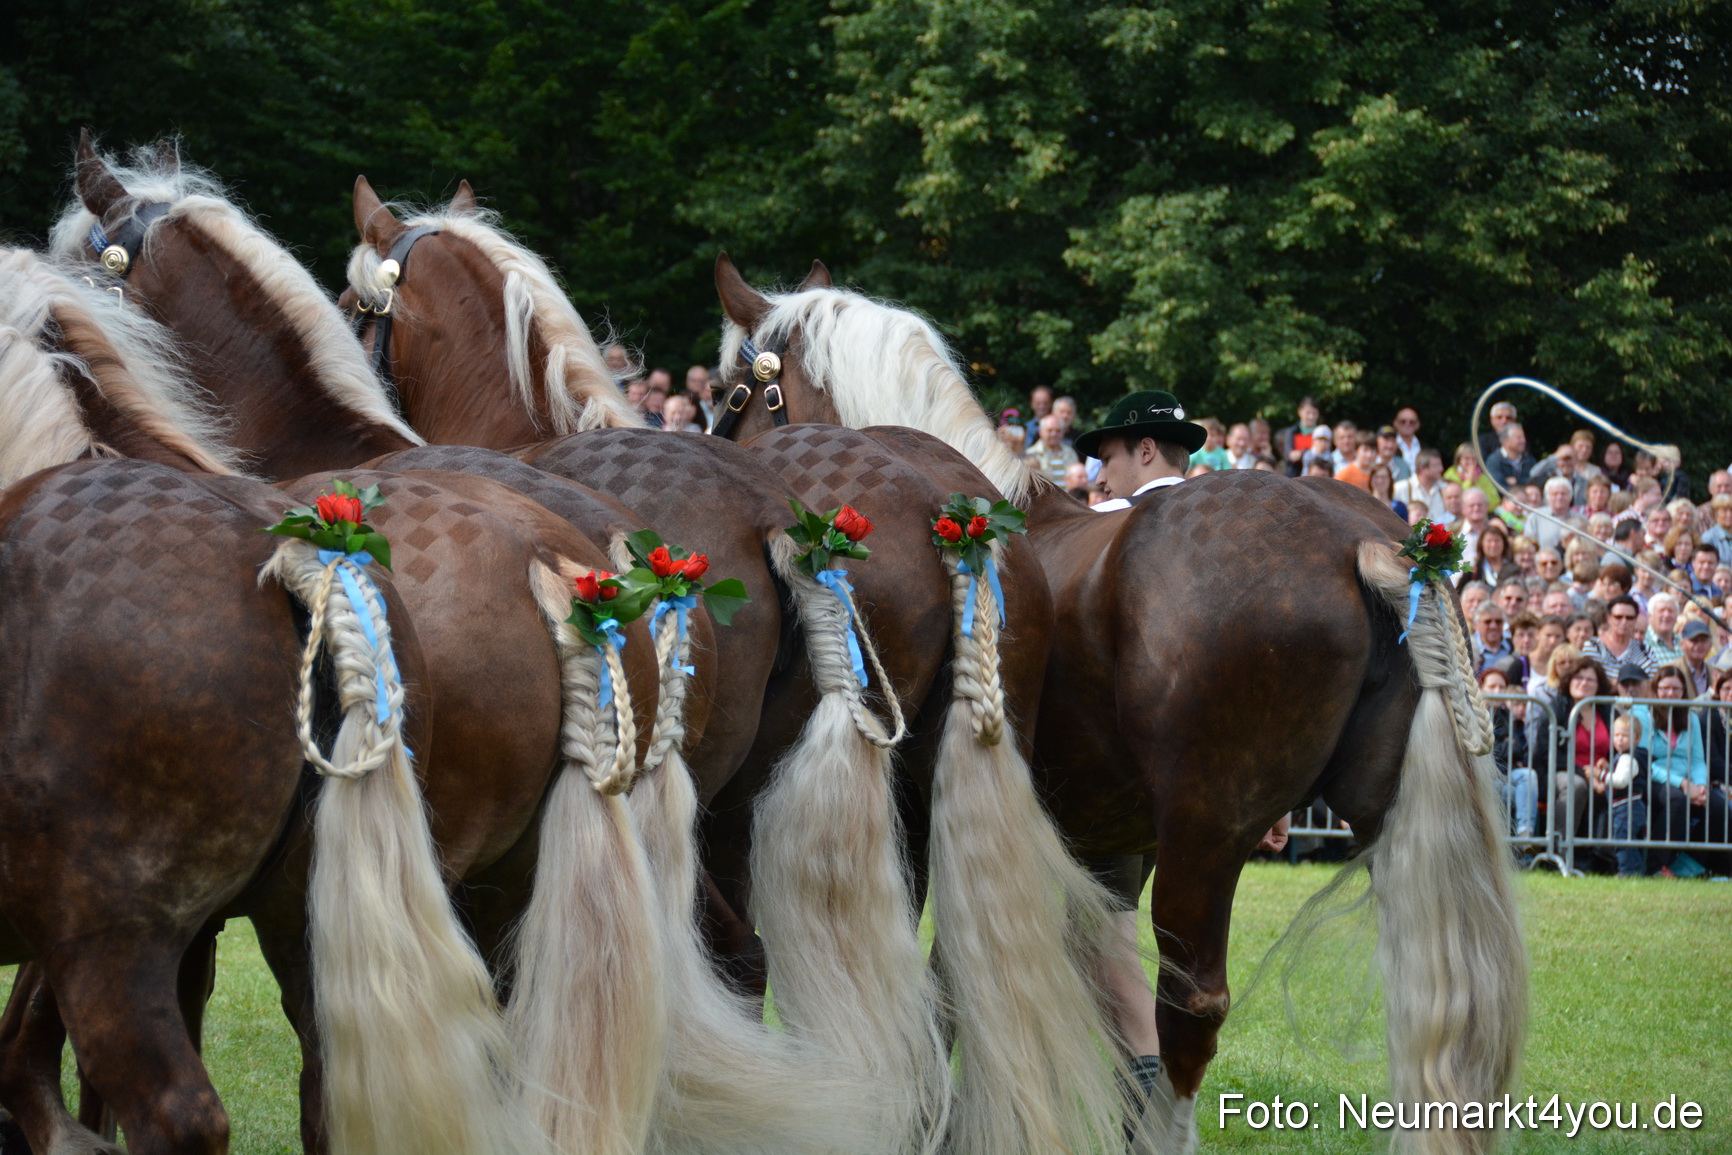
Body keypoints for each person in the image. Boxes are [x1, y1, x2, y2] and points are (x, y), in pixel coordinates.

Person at [1643, 665, 1732, 875]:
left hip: (1690, 782)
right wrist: (1683, 784)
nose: (1671, 693)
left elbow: (1698, 760)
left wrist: (1700, 786)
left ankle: (1689, 866)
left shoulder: (1691, 718)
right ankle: (1656, 865)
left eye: (1676, 689)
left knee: (1719, 808)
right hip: (1654, 779)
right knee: (1677, 800)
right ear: (1655, 689)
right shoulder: (1643, 714)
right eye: (1665, 688)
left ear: (1684, 691)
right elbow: (1645, 762)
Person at [1481, 665, 1538, 837]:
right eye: (1492, 687)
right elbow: (1486, 750)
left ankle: (1525, 834)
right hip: (1483, 776)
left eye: (1502, 687)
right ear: (1481, 688)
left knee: (1528, 776)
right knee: (1509, 793)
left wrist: (1507, 747)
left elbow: (1519, 750)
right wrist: (1508, 746)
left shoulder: (1507, 716)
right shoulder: (1474, 714)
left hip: (1505, 773)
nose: (1498, 691)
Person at [1582, 595, 1657, 681]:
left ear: (1635, 620)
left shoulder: (1646, 651)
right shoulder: (1593, 646)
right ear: (1609, 618)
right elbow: (1593, 680)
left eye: (1629, 618)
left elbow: (1651, 684)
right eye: (1618, 617)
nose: (1624, 622)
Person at [1526, 477, 1588, 555]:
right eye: (1555, 494)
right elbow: (1529, 545)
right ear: (1547, 497)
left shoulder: (1581, 519)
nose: (1559, 497)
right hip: (1545, 564)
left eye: (1563, 494)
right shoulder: (1535, 517)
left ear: (1571, 496)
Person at [1393, 448, 1448, 526]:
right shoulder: (1401, 488)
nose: (1441, 469)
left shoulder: (1444, 488)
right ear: (1422, 469)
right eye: (1436, 466)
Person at [1024, 414, 1081, 483]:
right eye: (1050, 430)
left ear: (1063, 432)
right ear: (1040, 432)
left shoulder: (1070, 453)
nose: (1054, 434)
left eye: (1058, 431)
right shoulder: (1031, 454)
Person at [1275, 396, 1320, 477]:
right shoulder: (1291, 432)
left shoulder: (1321, 433)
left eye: (1314, 413)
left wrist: (1301, 453)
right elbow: (1288, 455)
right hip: (1295, 474)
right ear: (1300, 412)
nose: (1311, 417)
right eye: (1308, 413)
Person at [1486, 422, 1535, 492]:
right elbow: (1498, 487)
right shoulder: (1494, 461)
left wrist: (1517, 481)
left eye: (1523, 437)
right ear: (1506, 441)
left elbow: (1535, 482)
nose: (1523, 441)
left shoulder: (1529, 460)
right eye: (1519, 438)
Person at [1678, 620, 1716, 698]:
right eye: (1694, 640)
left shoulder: (1715, 672)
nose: (1699, 645)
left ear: (1710, 644)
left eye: (1703, 640)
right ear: (1682, 644)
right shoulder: (1673, 670)